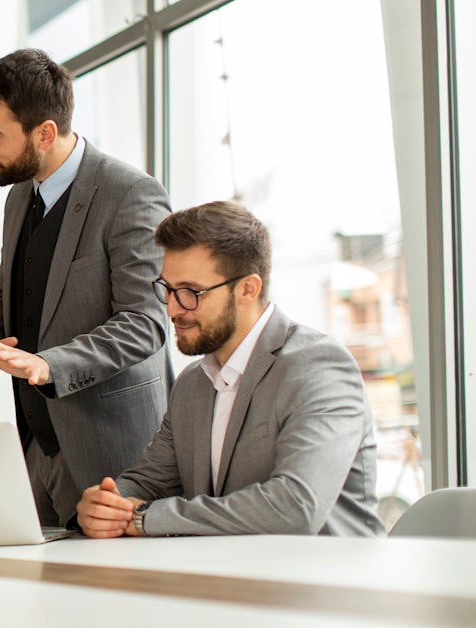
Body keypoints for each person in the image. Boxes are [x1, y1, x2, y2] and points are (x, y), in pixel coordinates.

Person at [0, 49, 171, 527]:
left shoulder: (130, 193)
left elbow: (145, 323)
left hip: (113, 453)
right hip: (36, 446)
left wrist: (49, 364)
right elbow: (9, 289)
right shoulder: (19, 196)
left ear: (45, 133)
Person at [75, 201, 385, 538]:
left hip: (326, 570)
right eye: (168, 289)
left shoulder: (319, 367)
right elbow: (149, 481)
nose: (173, 309)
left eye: (191, 292)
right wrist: (107, 504)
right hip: (226, 569)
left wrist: (144, 518)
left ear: (248, 289)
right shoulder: (193, 383)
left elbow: (296, 508)